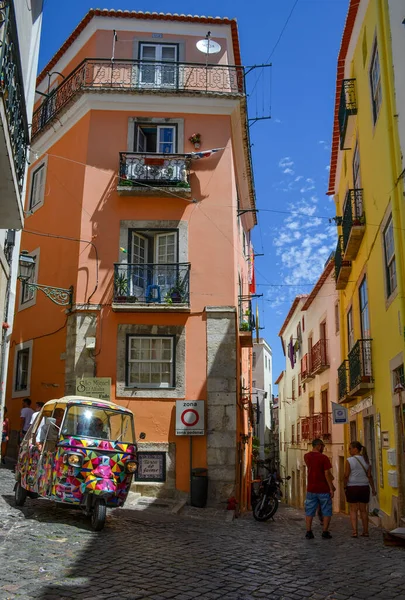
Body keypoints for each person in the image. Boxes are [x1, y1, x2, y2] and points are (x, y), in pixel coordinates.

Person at [344, 441, 376, 537]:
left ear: (356, 449)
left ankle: (355, 532)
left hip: (352, 487)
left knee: (353, 510)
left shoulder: (349, 460)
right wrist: (373, 489)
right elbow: (369, 476)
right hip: (364, 487)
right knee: (363, 510)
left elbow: (346, 475)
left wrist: (344, 486)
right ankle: (366, 531)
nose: (349, 450)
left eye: (350, 448)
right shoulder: (367, 460)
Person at [304, 438, 334, 539]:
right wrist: (331, 488)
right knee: (326, 510)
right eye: (322, 446)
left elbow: (311, 468)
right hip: (323, 488)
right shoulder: (324, 458)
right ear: (318, 446)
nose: (323, 448)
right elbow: (326, 473)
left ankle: (309, 532)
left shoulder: (306, 456)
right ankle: (325, 532)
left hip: (311, 488)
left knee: (309, 511)